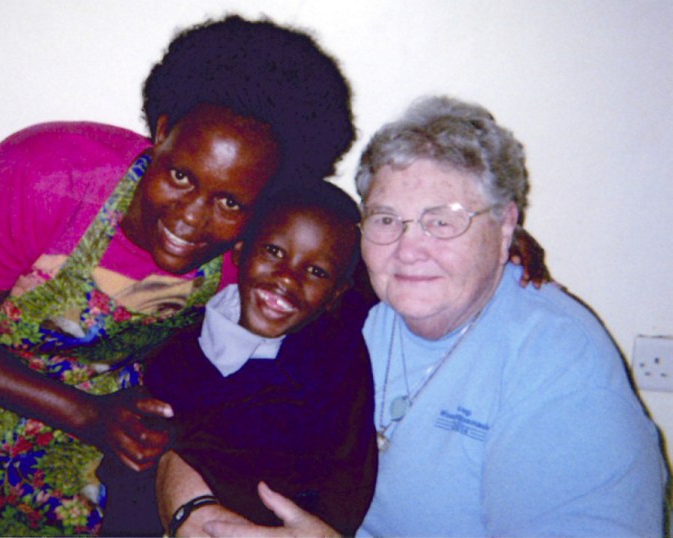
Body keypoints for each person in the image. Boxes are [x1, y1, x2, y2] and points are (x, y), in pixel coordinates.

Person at [0, 15, 356, 536]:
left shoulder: (253, 256)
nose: (190, 220)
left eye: (230, 201)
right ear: (162, 130)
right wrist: (86, 414)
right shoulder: (48, 176)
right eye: (180, 175)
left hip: (102, 431)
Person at [203, 96, 667, 537]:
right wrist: (190, 511)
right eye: (387, 219)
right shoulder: (344, 308)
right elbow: (205, 420)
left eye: (443, 220)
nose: (408, 249)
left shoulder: (562, 369)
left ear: (506, 227)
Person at [98, 182, 377, 537]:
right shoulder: (174, 352)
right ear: (240, 252)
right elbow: (135, 467)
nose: (287, 278)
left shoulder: (335, 361)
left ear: (334, 295)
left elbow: (348, 475)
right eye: (274, 251)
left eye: (317, 272)